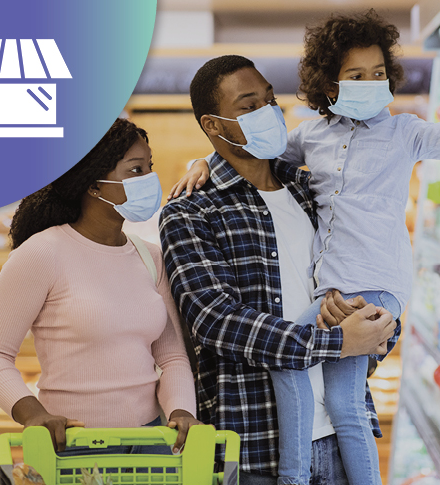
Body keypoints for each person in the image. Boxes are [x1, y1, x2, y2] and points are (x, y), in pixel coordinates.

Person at [169, 10, 440, 485]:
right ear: (330, 85)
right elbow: (216, 317)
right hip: (262, 433)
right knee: (304, 382)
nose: (370, 83)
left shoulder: (369, 150)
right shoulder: (282, 164)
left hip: (366, 323)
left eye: (378, 74)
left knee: (345, 403)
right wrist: (202, 161)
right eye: (355, 76)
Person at [160, 55, 398, 485]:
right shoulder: (191, 212)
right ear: (213, 125)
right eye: (248, 106)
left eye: (270, 100)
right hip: (258, 447)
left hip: (344, 438)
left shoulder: (310, 188)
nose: (268, 113)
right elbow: (217, 322)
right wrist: (338, 344)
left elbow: (361, 270)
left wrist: (378, 330)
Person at [0, 118, 200, 455]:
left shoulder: (150, 257)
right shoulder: (41, 253)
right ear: (93, 185)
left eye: (149, 168)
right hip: (72, 445)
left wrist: (182, 410)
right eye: (136, 170)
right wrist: (33, 413)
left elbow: (171, 357)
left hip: (150, 443)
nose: (149, 180)